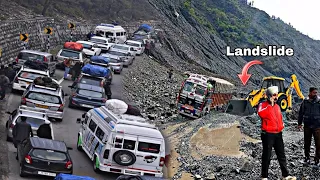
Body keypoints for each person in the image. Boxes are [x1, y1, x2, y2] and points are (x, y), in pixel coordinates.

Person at [257, 86, 296, 180]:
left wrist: (281, 124)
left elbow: (279, 117)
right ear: (269, 95)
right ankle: (264, 176)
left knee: (281, 154)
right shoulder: (263, 105)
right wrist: (270, 104)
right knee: (267, 155)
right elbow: (260, 113)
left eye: (277, 95)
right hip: (268, 134)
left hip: (278, 133)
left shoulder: (277, 106)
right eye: (274, 95)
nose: (276, 97)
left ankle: (285, 175)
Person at [298, 87, 320, 166]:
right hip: (307, 125)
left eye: (316, 93)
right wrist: (299, 123)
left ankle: (317, 160)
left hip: (317, 126)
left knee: (318, 143)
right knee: (307, 143)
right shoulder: (305, 102)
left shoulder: (319, 101)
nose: (315, 94)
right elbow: (301, 113)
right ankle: (307, 158)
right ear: (310, 92)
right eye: (314, 93)